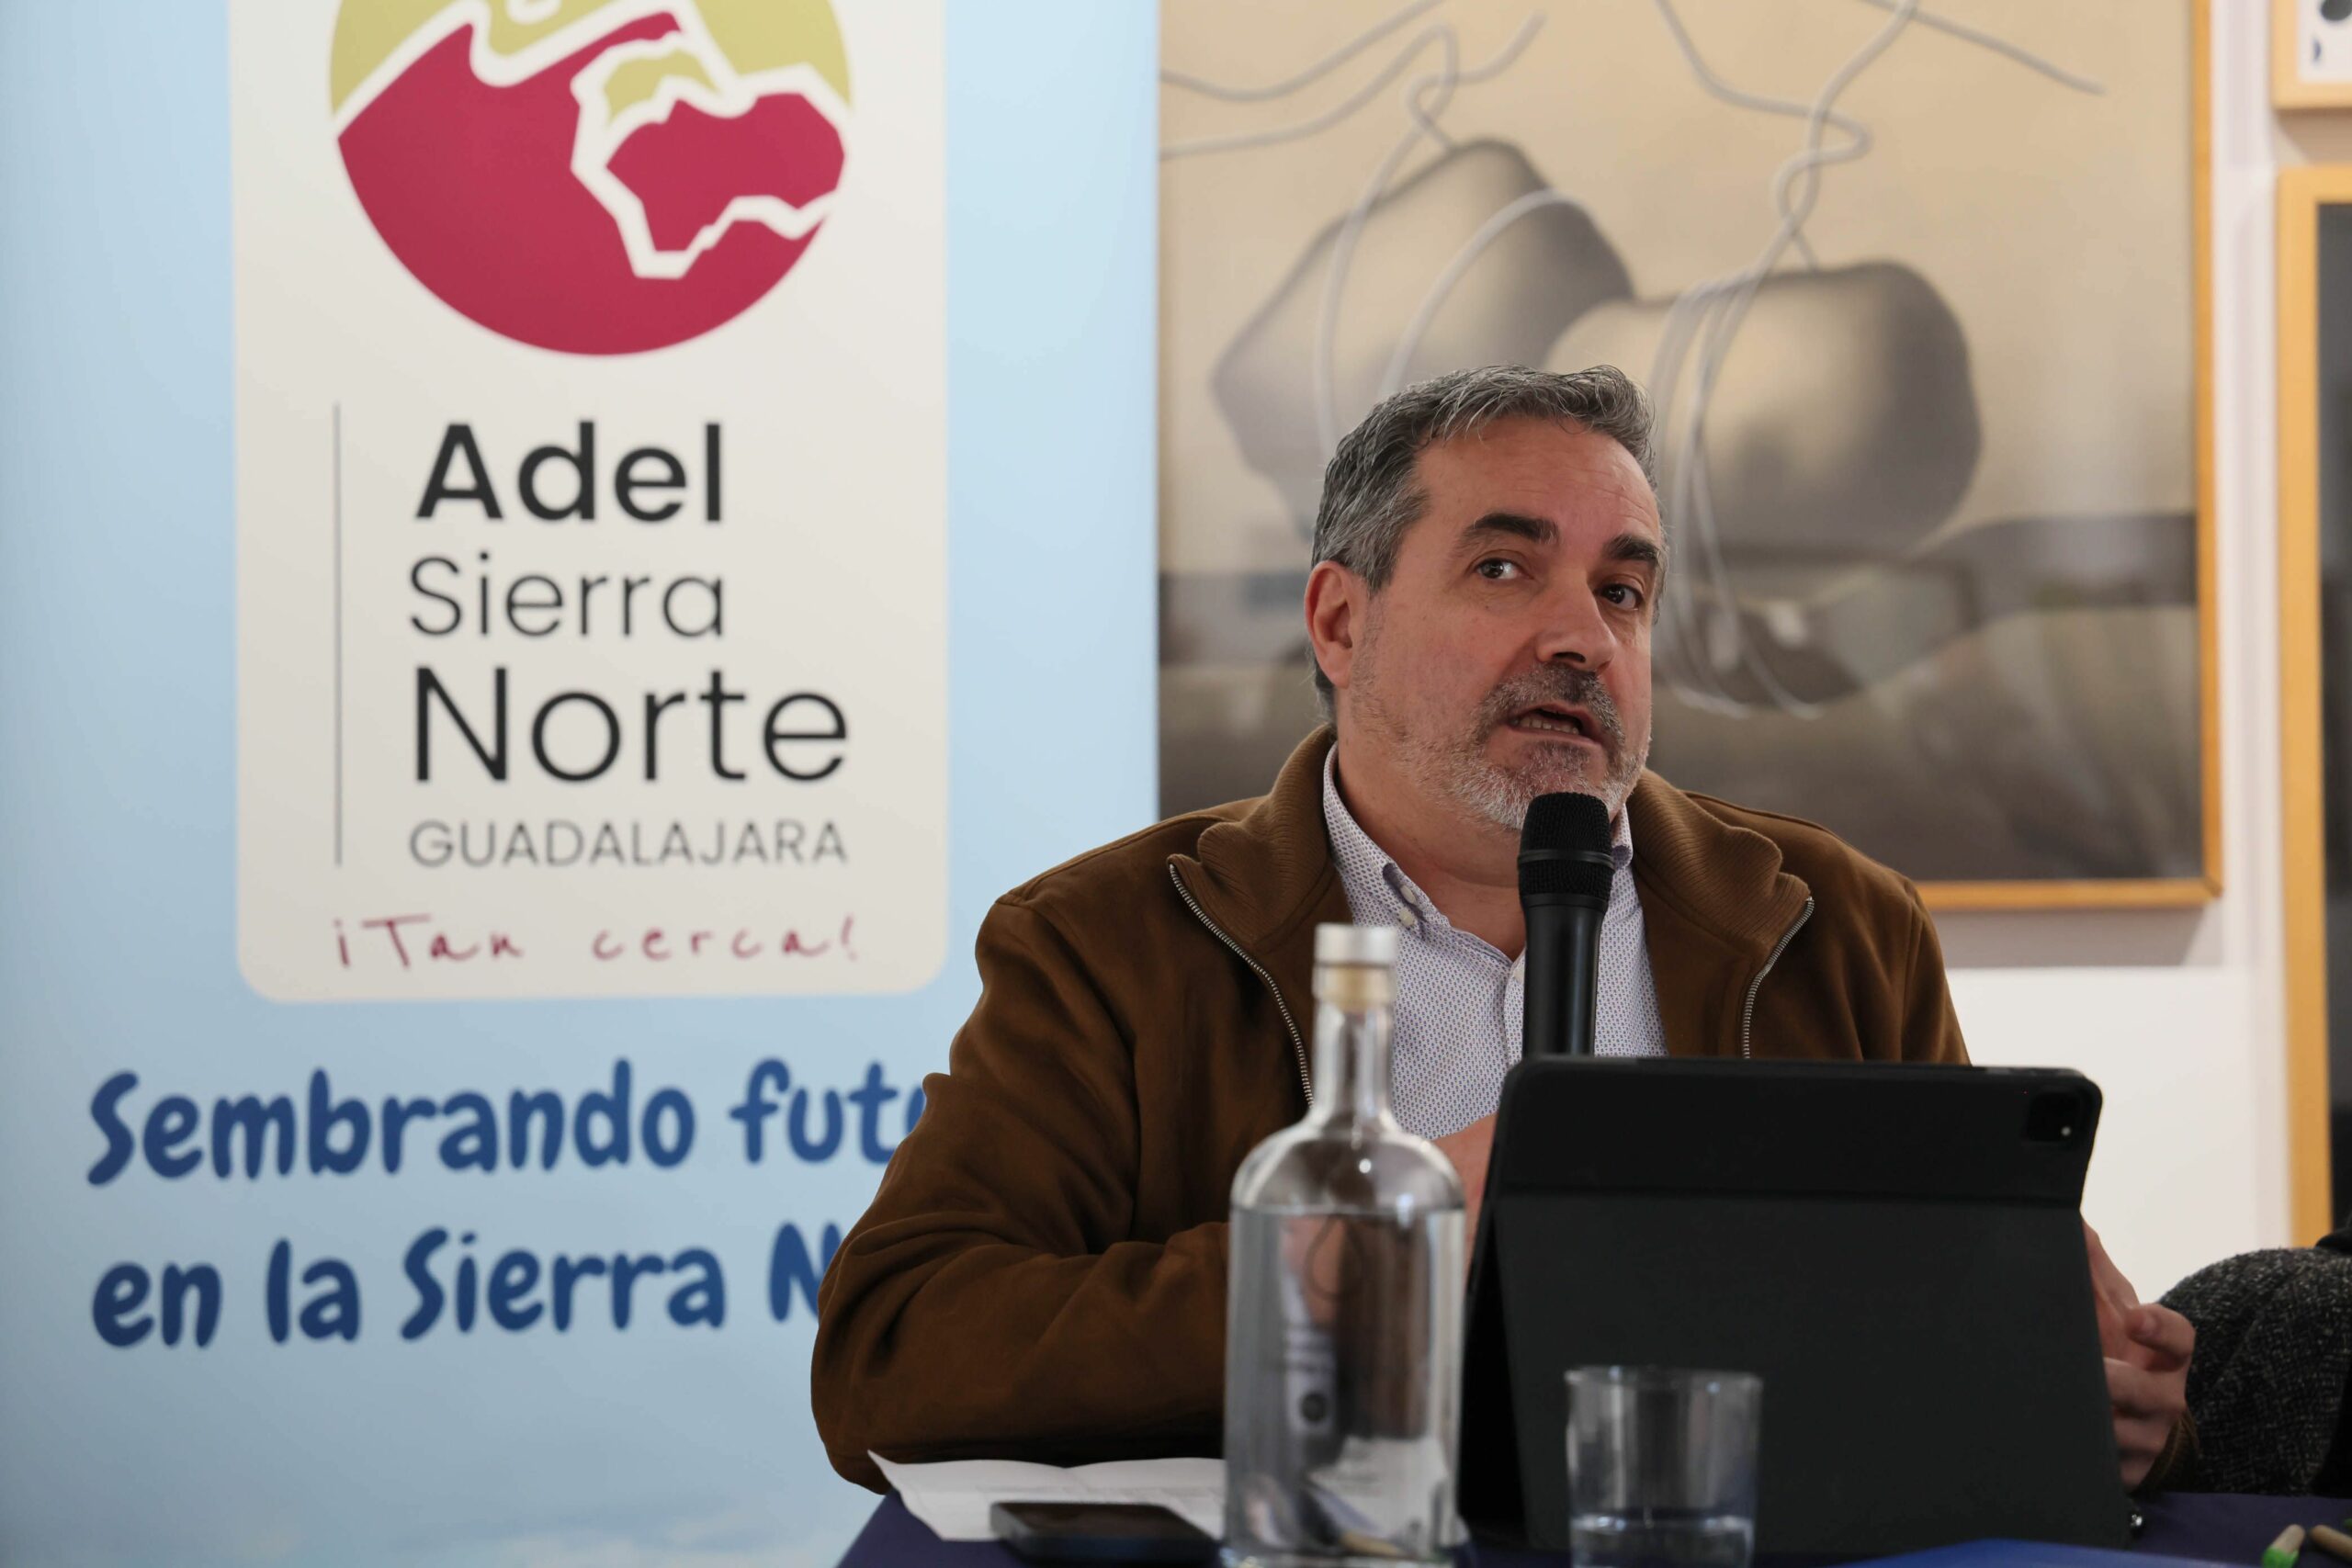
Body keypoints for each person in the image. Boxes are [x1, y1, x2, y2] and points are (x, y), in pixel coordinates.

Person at [810, 365, 2192, 1493]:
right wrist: (1371, 1246)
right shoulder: (1107, 941)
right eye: (1504, 570)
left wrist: (2091, 1402)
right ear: (1339, 622)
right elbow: (896, 1362)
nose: (1583, 637)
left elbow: (1975, 1345)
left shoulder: (1835, 925)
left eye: (1623, 591)